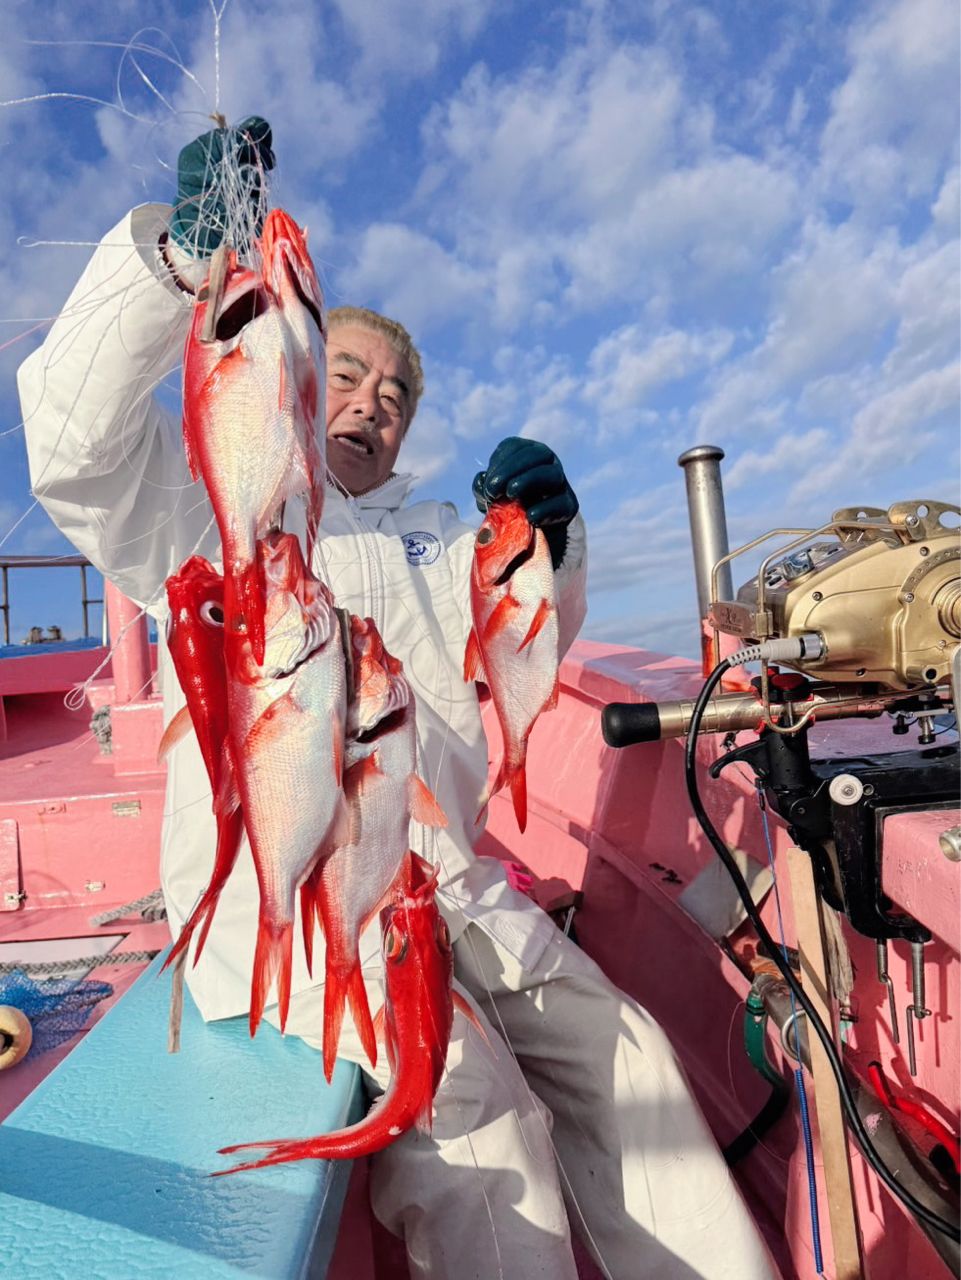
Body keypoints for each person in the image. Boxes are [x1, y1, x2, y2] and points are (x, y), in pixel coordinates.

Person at [18, 118, 778, 1280]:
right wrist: (175, 261)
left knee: (629, 1056)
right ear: (295, 370)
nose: (372, 401)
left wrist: (553, 545)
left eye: (399, 393)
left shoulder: (436, 540)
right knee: (480, 1123)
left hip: (457, 881)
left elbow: (527, 641)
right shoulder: (209, 518)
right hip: (309, 909)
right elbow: (74, 450)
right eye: (350, 370)